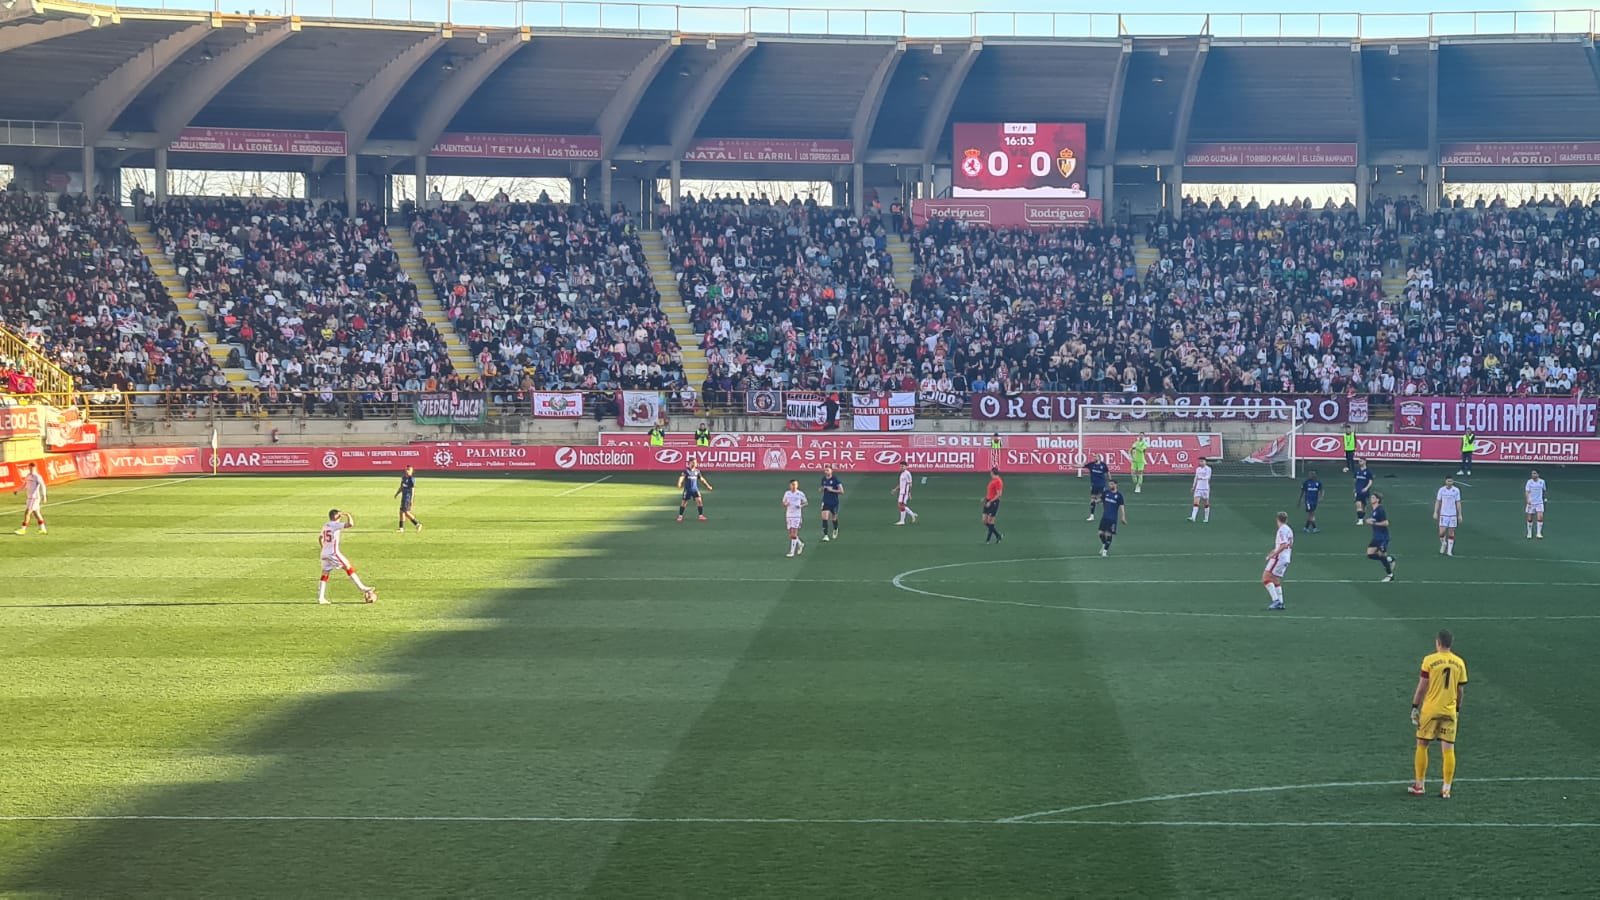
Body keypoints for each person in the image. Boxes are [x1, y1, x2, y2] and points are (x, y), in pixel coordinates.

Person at [1409, 630, 1468, 799]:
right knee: (1448, 749)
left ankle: (1419, 785)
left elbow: (1422, 687)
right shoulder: (1459, 662)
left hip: (1430, 710)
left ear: (1438, 643)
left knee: (1422, 744)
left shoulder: (1430, 660)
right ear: (1450, 643)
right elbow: (1460, 690)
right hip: (1449, 711)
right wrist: (1457, 709)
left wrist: (1414, 706)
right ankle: (1446, 789)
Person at [318, 509, 377, 605]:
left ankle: (321, 598)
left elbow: (320, 538)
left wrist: (324, 548)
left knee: (325, 574)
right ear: (336, 517)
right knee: (348, 567)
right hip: (333, 553)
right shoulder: (334, 524)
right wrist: (348, 515)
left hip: (324, 553)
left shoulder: (326, 525)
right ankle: (362, 588)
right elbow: (351, 524)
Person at [1263, 511, 1294, 610]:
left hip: (1279, 557)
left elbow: (1283, 544)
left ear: (1277, 519)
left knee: (1266, 577)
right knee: (1275, 579)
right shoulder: (1289, 530)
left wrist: (1273, 554)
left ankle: (1275, 600)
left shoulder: (1281, 530)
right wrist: (1273, 551)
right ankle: (1280, 602)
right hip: (1286, 557)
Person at [1366, 491, 1396, 582]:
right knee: (1370, 554)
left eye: (1373, 498)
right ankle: (1389, 559)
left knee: (1381, 555)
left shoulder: (1380, 510)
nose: (1371, 499)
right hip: (1376, 536)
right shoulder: (1374, 510)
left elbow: (1386, 523)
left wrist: (1373, 522)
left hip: (1382, 537)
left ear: (1378, 500)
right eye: (1371, 498)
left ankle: (1390, 575)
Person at [13, 463, 47, 535]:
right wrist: (17, 490)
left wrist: (44, 496)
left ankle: (23, 529)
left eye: (33, 468)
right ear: (29, 468)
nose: (31, 469)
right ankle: (43, 529)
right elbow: (25, 485)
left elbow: (43, 485)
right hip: (29, 497)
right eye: (30, 468)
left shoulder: (37, 476)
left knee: (27, 512)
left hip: (34, 498)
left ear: (35, 468)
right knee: (36, 513)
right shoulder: (28, 476)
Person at [676, 457, 713, 522]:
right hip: (687, 490)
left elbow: (702, 479)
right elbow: (681, 477)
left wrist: (708, 486)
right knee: (684, 503)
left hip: (695, 489)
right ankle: (680, 516)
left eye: (695, 462)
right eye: (693, 462)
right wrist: (679, 483)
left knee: (699, 501)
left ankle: (701, 516)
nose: (695, 464)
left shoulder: (697, 471)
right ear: (689, 463)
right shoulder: (686, 471)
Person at [1433, 475, 1463, 556]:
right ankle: (1443, 543)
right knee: (1441, 532)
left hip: (1453, 515)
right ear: (1445, 481)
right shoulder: (1441, 490)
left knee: (1451, 532)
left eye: (1451, 481)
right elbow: (1438, 501)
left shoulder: (1456, 490)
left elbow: (1458, 502)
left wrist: (1459, 514)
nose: (1450, 483)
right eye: (1448, 481)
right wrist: (1435, 512)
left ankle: (1449, 551)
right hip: (1443, 514)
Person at [1098, 478, 1128, 557]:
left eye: (1111, 484)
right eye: (1109, 484)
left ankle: (1105, 551)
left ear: (1115, 485)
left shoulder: (1119, 496)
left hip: (1112, 518)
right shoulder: (1106, 493)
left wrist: (1123, 517)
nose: (1110, 485)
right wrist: (1095, 501)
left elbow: (1122, 507)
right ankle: (1104, 544)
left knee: (1108, 534)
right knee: (1100, 533)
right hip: (1104, 517)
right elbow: (1101, 499)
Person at [782, 479, 808, 557]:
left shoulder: (800, 494)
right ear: (790, 485)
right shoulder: (787, 493)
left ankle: (792, 552)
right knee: (791, 534)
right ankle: (800, 544)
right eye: (792, 485)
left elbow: (806, 502)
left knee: (794, 533)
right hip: (789, 515)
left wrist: (800, 506)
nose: (794, 486)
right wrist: (785, 504)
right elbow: (784, 502)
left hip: (797, 515)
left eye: (795, 485)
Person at [819, 465, 844, 542]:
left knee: (834, 518)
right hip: (826, 501)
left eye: (828, 470)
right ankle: (826, 535)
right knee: (824, 518)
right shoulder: (823, 479)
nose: (826, 472)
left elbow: (842, 491)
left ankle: (835, 529)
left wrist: (832, 490)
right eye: (825, 470)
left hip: (834, 502)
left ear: (831, 471)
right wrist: (821, 489)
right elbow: (821, 488)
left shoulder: (835, 480)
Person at [395, 465, 422, 533]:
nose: (407, 471)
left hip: (407, 498)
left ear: (411, 471)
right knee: (402, 512)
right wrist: (397, 493)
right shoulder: (403, 478)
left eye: (409, 470)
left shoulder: (411, 479)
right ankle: (401, 528)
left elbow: (412, 490)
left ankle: (417, 524)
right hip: (403, 497)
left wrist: (411, 500)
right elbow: (401, 487)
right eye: (406, 469)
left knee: (406, 512)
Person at [982, 466, 1004, 544]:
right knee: (984, 521)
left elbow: (999, 494)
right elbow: (991, 492)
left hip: (993, 503)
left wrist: (990, 501)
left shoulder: (998, 481)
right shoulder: (993, 480)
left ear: (992, 473)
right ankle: (998, 535)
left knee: (990, 521)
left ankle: (988, 540)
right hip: (988, 501)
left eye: (990, 472)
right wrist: (985, 498)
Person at [1085, 453, 1109, 521]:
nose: (1094, 458)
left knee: (1103, 499)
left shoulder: (1103, 465)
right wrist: (1073, 466)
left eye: (1095, 457)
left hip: (1102, 485)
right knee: (1092, 499)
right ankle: (1092, 516)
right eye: (1094, 457)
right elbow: (1082, 466)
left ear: (1099, 458)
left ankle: (1106, 515)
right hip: (1094, 485)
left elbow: (1107, 472)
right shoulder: (1091, 464)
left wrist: (1110, 480)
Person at [893, 461, 919, 525]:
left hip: (904, 492)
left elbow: (910, 484)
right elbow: (901, 483)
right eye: (901, 466)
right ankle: (912, 514)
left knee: (901, 505)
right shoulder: (902, 473)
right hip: (901, 492)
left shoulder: (907, 473)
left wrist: (909, 493)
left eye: (903, 466)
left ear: (906, 466)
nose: (901, 467)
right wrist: (895, 489)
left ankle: (902, 521)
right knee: (900, 505)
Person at [1298, 468, 1322, 534]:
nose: (1311, 475)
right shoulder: (1306, 482)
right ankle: (1314, 528)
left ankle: (1306, 528)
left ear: (1315, 475)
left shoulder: (1318, 483)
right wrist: (1300, 500)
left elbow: (1321, 490)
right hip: (1308, 501)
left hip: (1314, 501)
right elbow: (1302, 492)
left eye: (1312, 474)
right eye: (1310, 474)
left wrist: (1320, 497)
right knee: (1311, 514)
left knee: (1311, 514)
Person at [1524, 469, 1547, 540]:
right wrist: (1528, 500)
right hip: (1531, 503)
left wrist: (1545, 498)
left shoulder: (1542, 481)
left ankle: (1539, 533)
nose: (1533, 475)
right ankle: (1529, 533)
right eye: (1532, 473)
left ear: (1538, 474)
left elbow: (1544, 490)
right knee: (1530, 518)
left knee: (1540, 517)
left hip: (1539, 502)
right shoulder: (1529, 482)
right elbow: (1527, 492)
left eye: (1534, 473)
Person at [1188, 459, 1213, 524]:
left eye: (1202, 461)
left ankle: (1206, 518)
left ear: (1205, 462)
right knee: (1196, 502)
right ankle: (1193, 517)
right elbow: (1196, 477)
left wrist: (1201, 478)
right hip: (1198, 488)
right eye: (1200, 461)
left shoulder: (1208, 469)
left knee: (1206, 503)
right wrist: (1193, 486)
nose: (1201, 462)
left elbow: (1208, 477)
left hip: (1205, 488)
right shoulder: (1198, 469)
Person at [1352, 458, 1374, 525]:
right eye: (1359, 461)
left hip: (1365, 491)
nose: (1359, 462)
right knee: (1358, 505)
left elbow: (1370, 481)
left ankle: (1362, 517)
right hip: (1358, 491)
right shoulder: (1357, 471)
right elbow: (1355, 480)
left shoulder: (1368, 471)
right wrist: (1355, 488)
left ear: (1365, 462)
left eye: (1361, 461)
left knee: (1364, 506)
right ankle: (1360, 520)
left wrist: (1366, 488)